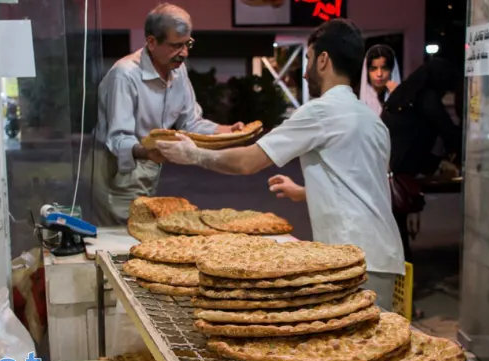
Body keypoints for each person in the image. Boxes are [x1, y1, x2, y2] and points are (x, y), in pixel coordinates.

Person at [156, 19, 405, 311]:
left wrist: (194, 154)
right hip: (383, 257)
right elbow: (361, 182)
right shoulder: (371, 120)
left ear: (323, 60)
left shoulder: (322, 111)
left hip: (352, 258)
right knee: (375, 348)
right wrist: (304, 191)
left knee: (348, 349)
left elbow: (248, 161)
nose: (305, 70)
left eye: (309, 60)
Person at [93, 2, 244, 225]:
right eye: (176, 46)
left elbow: (190, 122)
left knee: (144, 234)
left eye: (188, 44)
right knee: (124, 240)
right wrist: (149, 151)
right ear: (152, 42)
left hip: (150, 165)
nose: (183, 53)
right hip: (118, 172)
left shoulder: (177, 70)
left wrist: (226, 131)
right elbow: (117, 139)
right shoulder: (125, 75)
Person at [370, 57, 462, 264]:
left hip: (385, 165)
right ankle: (401, 277)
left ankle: (396, 276)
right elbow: (448, 131)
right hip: (401, 168)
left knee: (394, 228)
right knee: (399, 229)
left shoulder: (405, 92)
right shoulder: (426, 97)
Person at [359, 44, 401, 116]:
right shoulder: (356, 99)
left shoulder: (403, 97)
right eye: (373, 69)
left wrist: (397, 97)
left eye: (384, 68)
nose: (379, 74)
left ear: (391, 70)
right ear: (367, 71)